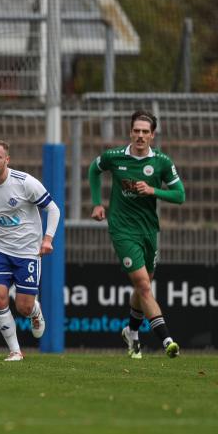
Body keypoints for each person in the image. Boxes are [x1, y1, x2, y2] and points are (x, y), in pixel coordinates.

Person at [88, 110, 184, 359]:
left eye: (145, 132)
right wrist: (98, 203)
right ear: (130, 132)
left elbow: (180, 195)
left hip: (148, 230)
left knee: (144, 287)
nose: (140, 136)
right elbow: (93, 169)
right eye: (136, 131)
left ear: (152, 135)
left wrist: (154, 191)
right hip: (122, 229)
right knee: (143, 285)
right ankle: (167, 341)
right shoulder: (114, 156)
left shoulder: (162, 162)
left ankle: (131, 331)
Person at [0, 140, 59, 361]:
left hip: (27, 251)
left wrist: (47, 239)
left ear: (7, 160)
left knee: (23, 307)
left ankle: (34, 310)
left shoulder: (25, 182)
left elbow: (53, 209)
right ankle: (15, 351)